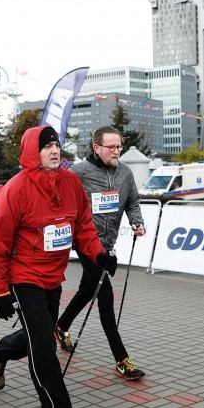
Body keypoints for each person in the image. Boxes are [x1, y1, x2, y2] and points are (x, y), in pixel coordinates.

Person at [0, 125, 115, 408]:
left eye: (56, 145)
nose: (54, 151)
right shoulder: (16, 190)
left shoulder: (70, 183)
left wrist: (98, 255)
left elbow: (83, 226)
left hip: (53, 276)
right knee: (44, 344)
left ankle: (1, 353)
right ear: (33, 152)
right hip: (23, 276)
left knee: (37, 334)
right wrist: (0, 291)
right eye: (46, 147)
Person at [54, 126, 147, 380]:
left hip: (108, 245)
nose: (117, 151)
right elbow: (57, 195)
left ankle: (60, 327)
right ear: (97, 148)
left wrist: (136, 221)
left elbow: (133, 202)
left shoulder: (125, 173)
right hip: (86, 243)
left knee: (88, 289)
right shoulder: (79, 172)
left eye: (119, 146)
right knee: (105, 297)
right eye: (111, 147)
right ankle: (122, 360)